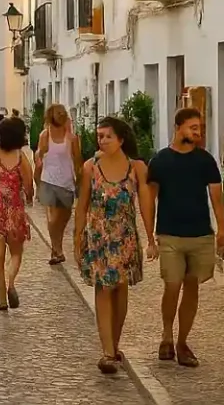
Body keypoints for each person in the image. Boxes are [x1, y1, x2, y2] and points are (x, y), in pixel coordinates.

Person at [145, 107, 224, 368]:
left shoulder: (205, 161)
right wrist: (149, 235)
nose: (198, 132)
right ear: (178, 127)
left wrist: (222, 229)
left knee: (192, 287)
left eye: (200, 128)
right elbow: (149, 200)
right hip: (170, 235)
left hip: (200, 235)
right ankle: (166, 334)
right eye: (193, 127)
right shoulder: (160, 161)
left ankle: (182, 341)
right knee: (171, 285)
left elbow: (217, 197)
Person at [75, 115, 153, 375]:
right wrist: (77, 238)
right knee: (103, 289)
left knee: (121, 290)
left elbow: (145, 205)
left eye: (108, 136)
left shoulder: (137, 168)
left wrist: (151, 237)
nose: (103, 140)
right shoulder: (90, 167)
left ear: (121, 139)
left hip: (125, 238)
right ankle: (108, 351)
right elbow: (82, 204)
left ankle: (115, 344)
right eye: (100, 136)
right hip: (99, 238)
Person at [0, 115, 34, 310]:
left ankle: (2, 299)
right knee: (16, 253)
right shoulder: (21, 158)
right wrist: (28, 197)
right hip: (15, 212)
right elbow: (29, 187)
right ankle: (11, 282)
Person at [35, 103, 82, 265]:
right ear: (51, 115)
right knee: (54, 218)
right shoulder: (44, 135)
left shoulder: (72, 137)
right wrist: (40, 155)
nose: (61, 114)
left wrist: (80, 181)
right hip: (49, 180)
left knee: (64, 216)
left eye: (63, 112)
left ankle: (58, 248)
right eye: (58, 112)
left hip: (67, 181)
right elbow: (38, 157)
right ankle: (56, 250)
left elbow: (77, 160)